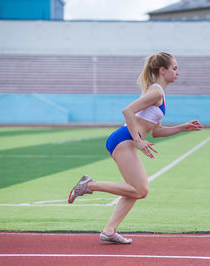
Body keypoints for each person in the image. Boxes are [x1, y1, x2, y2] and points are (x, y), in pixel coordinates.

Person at [68, 52, 202, 244]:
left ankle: (109, 231)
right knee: (141, 190)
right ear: (162, 70)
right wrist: (138, 140)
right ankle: (89, 185)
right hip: (124, 140)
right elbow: (127, 111)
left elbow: (156, 132)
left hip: (125, 139)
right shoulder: (155, 92)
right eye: (174, 68)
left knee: (135, 189)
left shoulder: (158, 93)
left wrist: (182, 127)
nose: (178, 72)